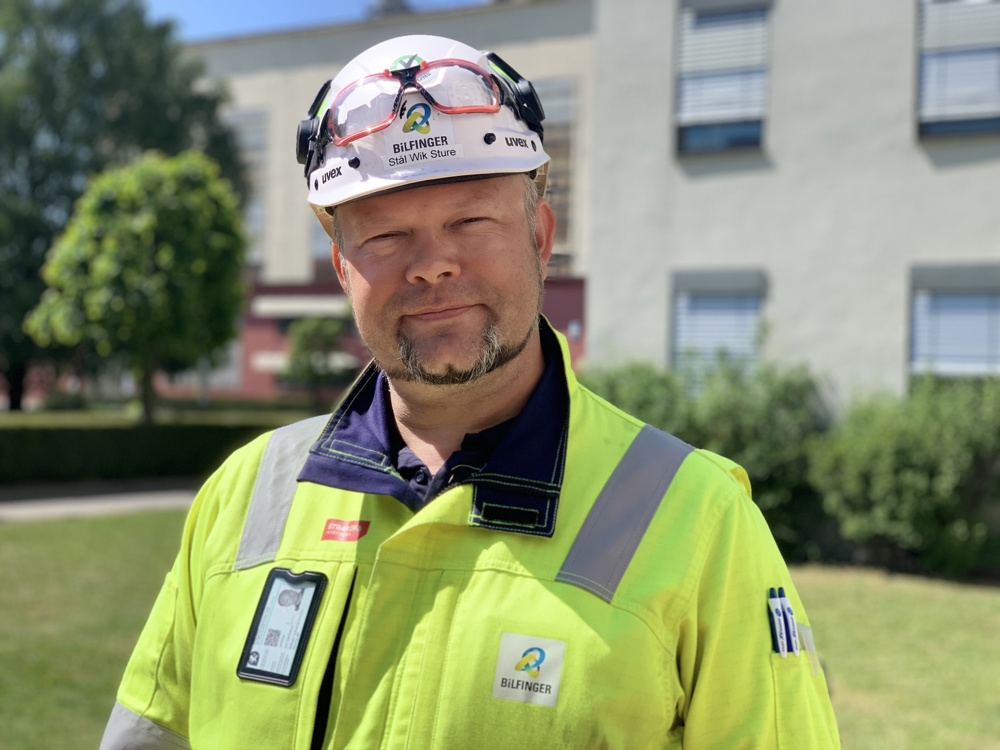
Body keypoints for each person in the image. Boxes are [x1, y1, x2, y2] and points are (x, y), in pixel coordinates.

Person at [102, 34, 840, 749]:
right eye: (385, 236)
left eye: (471, 221)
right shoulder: (243, 496)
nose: (431, 266)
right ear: (342, 267)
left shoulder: (700, 522)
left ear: (541, 238)